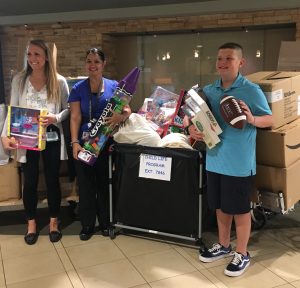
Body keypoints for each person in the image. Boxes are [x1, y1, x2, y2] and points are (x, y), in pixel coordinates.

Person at [187, 42, 273, 277]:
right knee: (221, 208)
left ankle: (242, 253)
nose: (222, 63)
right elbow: (192, 117)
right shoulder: (210, 89)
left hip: (239, 163)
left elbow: (270, 119)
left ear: (240, 63)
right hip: (214, 159)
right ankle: (224, 246)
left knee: (239, 210)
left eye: (229, 58)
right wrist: (191, 129)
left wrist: (252, 118)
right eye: (220, 58)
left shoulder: (250, 90)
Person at [1, 39, 70, 245]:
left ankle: (54, 221)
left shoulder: (59, 81)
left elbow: (67, 109)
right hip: (26, 137)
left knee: (51, 180)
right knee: (29, 181)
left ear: (47, 56)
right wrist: (4, 136)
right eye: (29, 55)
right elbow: (13, 108)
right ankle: (31, 223)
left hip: (51, 135)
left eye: (37, 54)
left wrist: (55, 118)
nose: (33, 59)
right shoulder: (19, 80)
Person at [68, 48, 131, 241]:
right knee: (86, 186)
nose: (92, 65)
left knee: (104, 184)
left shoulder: (114, 86)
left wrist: (122, 116)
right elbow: (75, 117)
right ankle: (87, 224)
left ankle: (105, 222)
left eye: (96, 61)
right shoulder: (78, 88)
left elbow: (127, 109)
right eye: (89, 61)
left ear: (103, 64)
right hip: (84, 144)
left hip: (105, 143)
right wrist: (74, 142)